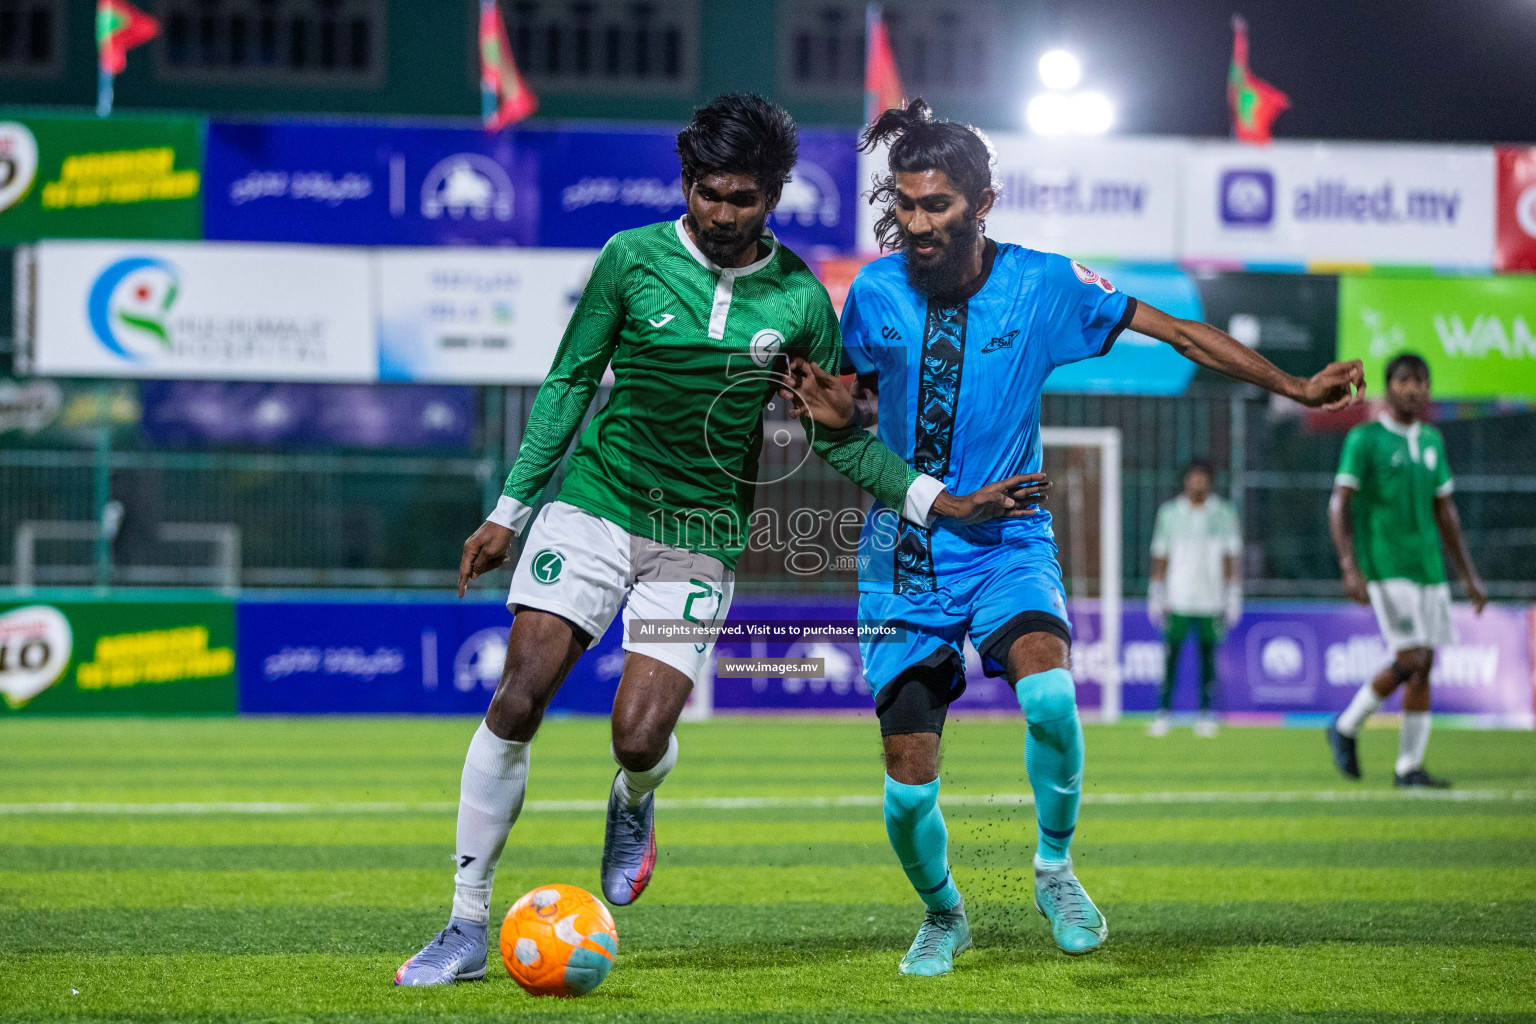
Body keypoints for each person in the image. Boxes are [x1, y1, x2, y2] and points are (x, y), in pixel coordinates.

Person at [395, 94, 1035, 987]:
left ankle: (635, 798)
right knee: (518, 698)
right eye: (707, 192)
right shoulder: (633, 259)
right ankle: (464, 925)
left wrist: (943, 501)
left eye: (742, 197)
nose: (722, 213)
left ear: (774, 195)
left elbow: (840, 436)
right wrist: (510, 509)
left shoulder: (804, 301)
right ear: (687, 183)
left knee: (636, 735)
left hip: (697, 539)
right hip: (592, 506)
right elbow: (570, 382)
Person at [782, 99, 1364, 976]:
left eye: (936, 205)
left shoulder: (1044, 283)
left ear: (983, 201)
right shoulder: (872, 292)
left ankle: (1054, 867)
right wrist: (836, 413)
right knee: (906, 797)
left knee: (1051, 701)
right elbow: (852, 415)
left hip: (1009, 542)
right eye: (904, 205)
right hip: (902, 559)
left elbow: (1175, 330)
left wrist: (1293, 384)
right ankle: (945, 914)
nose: (917, 224)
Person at [1325, 352, 1486, 788]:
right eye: (1403, 380)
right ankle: (1345, 726)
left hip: (1429, 569)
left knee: (1425, 663)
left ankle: (1408, 767)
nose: (1413, 389)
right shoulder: (1365, 439)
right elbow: (1339, 502)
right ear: (1388, 387)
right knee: (1410, 657)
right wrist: (1349, 566)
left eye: (1421, 381)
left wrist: (1468, 575)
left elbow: (1445, 511)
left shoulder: (1433, 440)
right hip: (1386, 565)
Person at [1147, 458, 1243, 738]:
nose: (1198, 482)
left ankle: (1205, 714)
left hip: (1211, 599)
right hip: (1177, 597)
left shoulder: (1224, 513)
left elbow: (1230, 557)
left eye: (1203, 477)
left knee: (1208, 659)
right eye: (1194, 477)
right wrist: (1156, 592)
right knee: (1171, 658)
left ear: (1210, 481)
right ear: (1186, 480)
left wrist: (1233, 594)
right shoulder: (1169, 513)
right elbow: (1160, 555)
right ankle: (1163, 713)